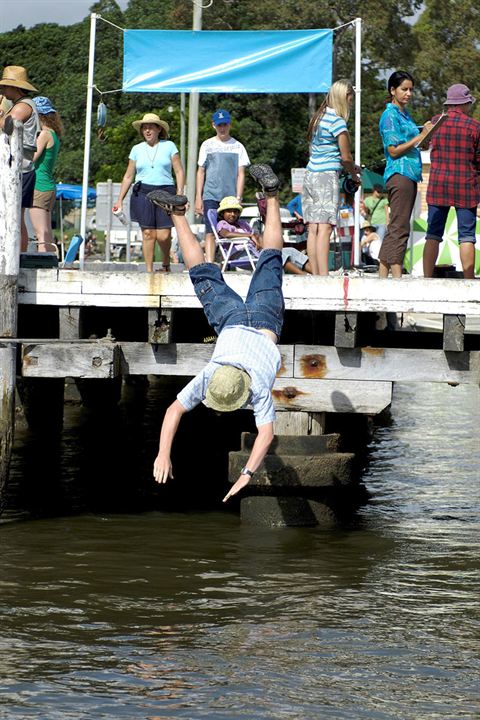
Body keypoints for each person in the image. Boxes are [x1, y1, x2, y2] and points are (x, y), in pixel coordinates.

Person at [148, 165, 285, 502]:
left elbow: (266, 435)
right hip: (231, 319)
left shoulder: (260, 390)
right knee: (201, 272)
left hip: (266, 322)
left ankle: (272, 195)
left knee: (271, 259)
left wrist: (246, 473)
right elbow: (173, 411)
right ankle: (178, 214)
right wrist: (162, 453)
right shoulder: (210, 374)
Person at [302, 79, 361, 276]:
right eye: (351, 97)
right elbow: (346, 157)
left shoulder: (319, 117)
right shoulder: (337, 121)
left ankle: (316, 275)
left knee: (313, 228)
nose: (351, 101)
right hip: (326, 177)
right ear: (345, 97)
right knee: (326, 227)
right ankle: (324, 276)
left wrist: (350, 166)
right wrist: (354, 174)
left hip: (310, 174)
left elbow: (326, 152)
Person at [113, 112, 185, 273]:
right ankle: (149, 271)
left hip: (166, 191)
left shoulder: (169, 146)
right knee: (147, 233)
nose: (147, 131)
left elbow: (179, 171)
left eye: (151, 127)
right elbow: (128, 176)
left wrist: (180, 193)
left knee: (164, 235)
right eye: (144, 128)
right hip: (143, 191)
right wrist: (119, 200)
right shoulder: (136, 149)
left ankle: (166, 263)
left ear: (159, 129)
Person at [378, 71, 433, 278]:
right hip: (399, 173)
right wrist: (420, 136)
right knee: (400, 228)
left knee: (397, 225)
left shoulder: (405, 114)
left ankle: (383, 277)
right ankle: (397, 275)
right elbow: (393, 150)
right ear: (392, 90)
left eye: (411, 89)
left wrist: (425, 138)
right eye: (404, 89)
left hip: (409, 174)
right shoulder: (390, 115)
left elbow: (413, 144)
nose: (409, 93)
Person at [423, 84, 480, 280]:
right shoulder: (474, 126)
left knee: (433, 234)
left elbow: (425, 145)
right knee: (466, 236)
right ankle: (469, 280)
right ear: (464, 103)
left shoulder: (435, 122)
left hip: (438, 185)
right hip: (466, 185)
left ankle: (427, 279)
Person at [195, 109, 250, 263]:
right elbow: (201, 171)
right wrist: (198, 197)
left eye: (225, 124)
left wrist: (238, 197)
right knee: (210, 230)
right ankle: (211, 263)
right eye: (219, 125)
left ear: (229, 125)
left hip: (230, 197)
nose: (222, 128)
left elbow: (241, 174)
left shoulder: (238, 146)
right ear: (214, 125)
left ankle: (229, 263)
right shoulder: (207, 145)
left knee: (230, 230)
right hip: (210, 194)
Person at [216, 196, 312, 275]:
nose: (232, 214)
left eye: (235, 211)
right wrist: (249, 235)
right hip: (241, 255)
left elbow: (256, 235)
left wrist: (261, 242)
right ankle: (303, 276)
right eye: (229, 211)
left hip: (255, 252)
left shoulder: (242, 224)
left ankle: (316, 274)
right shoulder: (223, 224)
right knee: (275, 256)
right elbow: (226, 234)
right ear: (222, 213)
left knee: (290, 251)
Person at [0, 66, 40, 251]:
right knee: (12, 215)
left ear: (15, 88)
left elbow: (9, 125)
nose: (2, 90)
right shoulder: (20, 104)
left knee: (15, 216)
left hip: (21, 169)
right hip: (17, 167)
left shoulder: (24, 105)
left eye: (6, 87)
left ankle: (19, 256)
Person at [30, 96, 63, 252]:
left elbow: (31, 158)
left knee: (40, 233)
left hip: (39, 186)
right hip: (48, 186)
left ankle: (42, 265)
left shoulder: (44, 135)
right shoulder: (54, 135)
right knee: (47, 232)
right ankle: (49, 262)